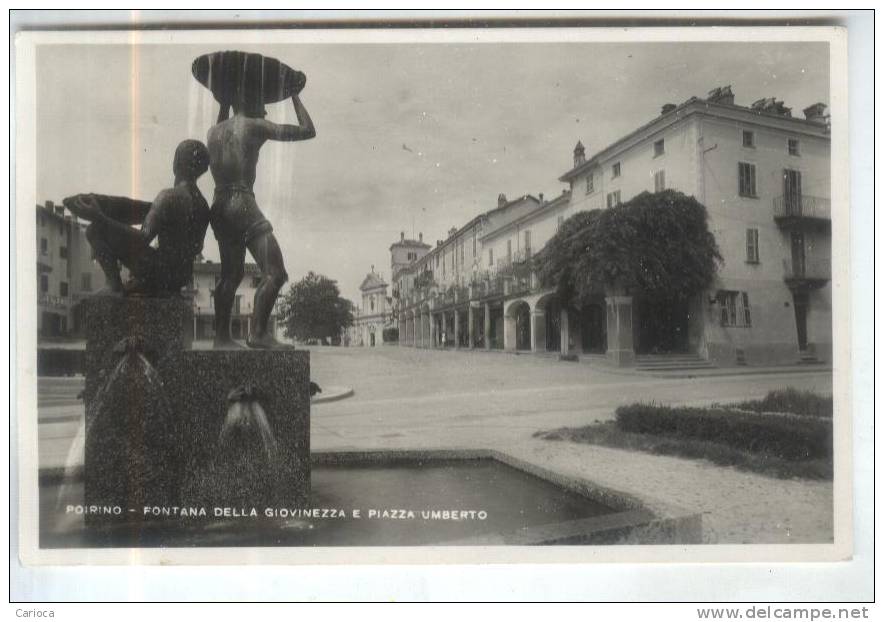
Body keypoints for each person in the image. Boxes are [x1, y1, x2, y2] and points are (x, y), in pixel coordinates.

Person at [207, 89, 315, 349]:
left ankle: (221, 338)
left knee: (231, 275)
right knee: (275, 272)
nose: (265, 110)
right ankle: (258, 333)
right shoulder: (255, 125)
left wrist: (224, 103)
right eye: (262, 103)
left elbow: (223, 120)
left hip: (219, 205)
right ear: (249, 102)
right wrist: (294, 95)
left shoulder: (213, 132)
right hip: (241, 202)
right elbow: (307, 130)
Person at [62, 140, 211, 297]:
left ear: (177, 163)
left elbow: (142, 238)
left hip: (159, 273)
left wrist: (100, 217)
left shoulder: (167, 197)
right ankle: (143, 284)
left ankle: (113, 285)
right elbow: (197, 248)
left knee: (95, 230)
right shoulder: (203, 205)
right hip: (181, 277)